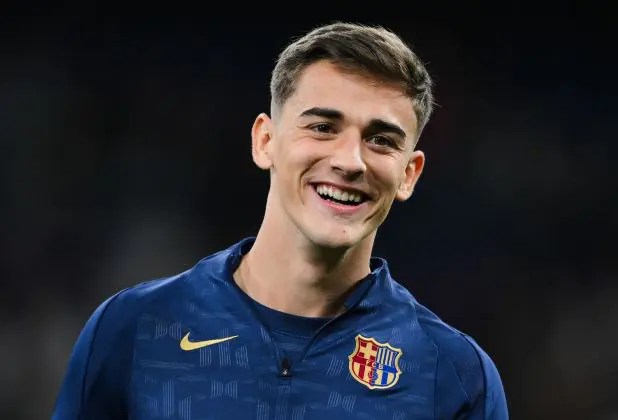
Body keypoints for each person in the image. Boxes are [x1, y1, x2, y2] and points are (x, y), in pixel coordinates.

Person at [52, 22, 508, 419]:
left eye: (381, 140)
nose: (350, 161)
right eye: (323, 127)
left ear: (409, 174)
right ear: (265, 141)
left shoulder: (453, 376)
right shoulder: (135, 328)